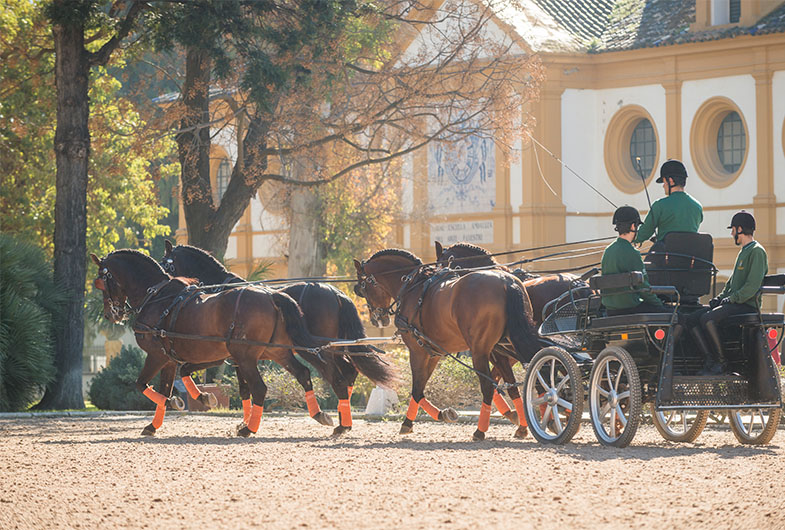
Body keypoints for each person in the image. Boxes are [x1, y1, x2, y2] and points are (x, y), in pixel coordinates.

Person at [689, 211, 767, 375]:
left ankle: (721, 362)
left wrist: (732, 299)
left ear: (740, 229)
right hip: (736, 303)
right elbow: (732, 282)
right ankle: (710, 360)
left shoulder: (756, 251)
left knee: (708, 319)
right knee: (693, 319)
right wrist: (720, 298)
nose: (732, 233)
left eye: (733, 230)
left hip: (747, 305)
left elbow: (752, 286)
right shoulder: (743, 251)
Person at [601, 206, 667, 316]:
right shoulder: (633, 252)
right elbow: (643, 288)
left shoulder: (608, 251)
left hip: (611, 310)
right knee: (677, 317)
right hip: (631, 308)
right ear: (633, 226)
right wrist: (659, 304)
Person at [634, 159, 703, 246]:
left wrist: (627, 236)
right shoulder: (697, 206)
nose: (663, 186)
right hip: (690, 256)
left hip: (667, 257)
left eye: (664, 181)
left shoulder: (659, 205)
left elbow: (644, 234)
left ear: (670, 181)